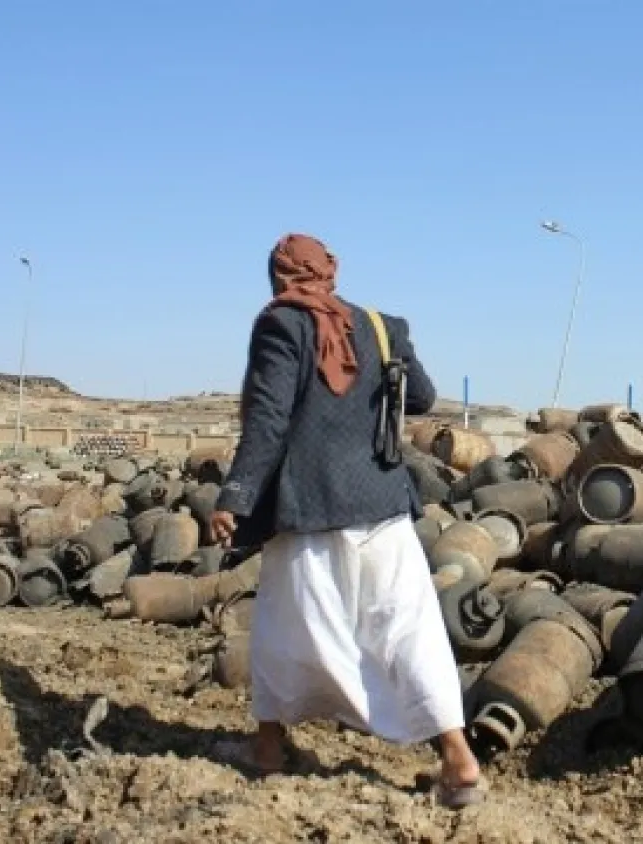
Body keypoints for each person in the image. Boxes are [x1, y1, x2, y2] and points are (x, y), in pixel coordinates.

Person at [209, 233, 484, 808]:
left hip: (310, 509)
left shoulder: (281, 325)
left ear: (280, 277)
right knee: (408, 631)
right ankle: (458, 762)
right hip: (383, 506)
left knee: (285, 631)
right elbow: (424, 399)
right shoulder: (383, 327)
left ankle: (268, 749)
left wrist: (235, 495)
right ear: (330, 273)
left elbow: (268, 419)